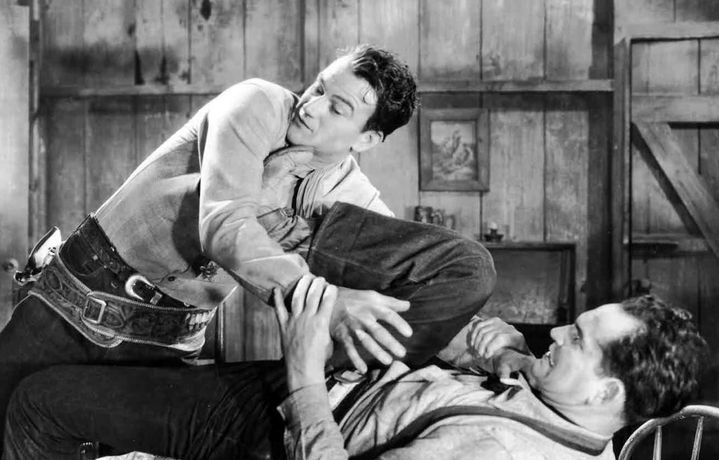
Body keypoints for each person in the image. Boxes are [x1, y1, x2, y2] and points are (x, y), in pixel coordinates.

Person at [0, 44, 497, 443]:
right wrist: (326, 305)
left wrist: (491, 348)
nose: (311, 107)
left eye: (337, 107)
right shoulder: (255, 103)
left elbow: (402, 274)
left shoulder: (348, 190)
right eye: (319, 87)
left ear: (365, 139)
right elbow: (224, 222)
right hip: (76, 304)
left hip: (170, 339)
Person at [2, 288, 708, 460]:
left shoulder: (496, 453)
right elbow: (485, 347)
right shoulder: (572, 410)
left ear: (606, 390)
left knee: (38, 400)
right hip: (303, 393)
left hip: (276, 426)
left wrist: (305, 367)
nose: (554, 332)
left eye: (576, 339)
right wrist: (496, 353)